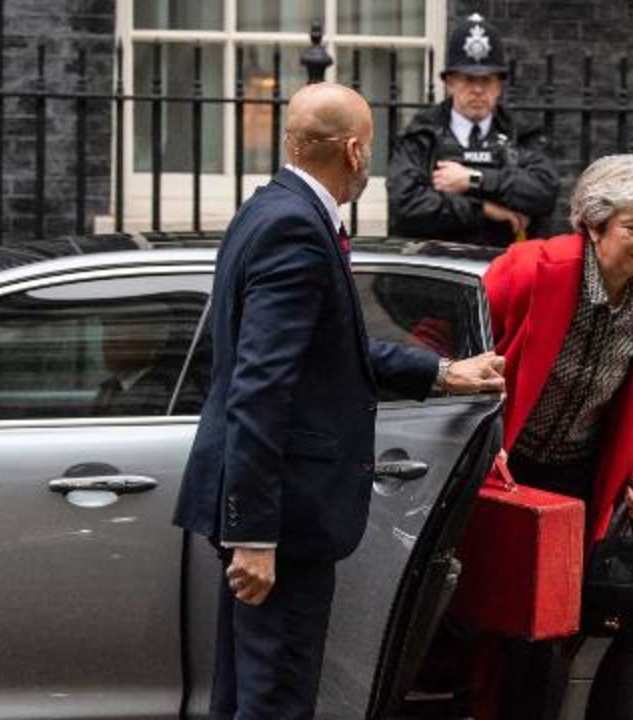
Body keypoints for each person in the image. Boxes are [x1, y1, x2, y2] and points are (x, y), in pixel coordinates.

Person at [172, 82, 505, 720]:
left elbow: (325, 355)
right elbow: (259, 386)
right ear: (354, 151)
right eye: (372, 149)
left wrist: (440, 373)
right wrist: (255, 534)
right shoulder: (297, 229)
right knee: (276, 699)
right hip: (286, 518)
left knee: (249, 693)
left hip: (279, 509)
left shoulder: (269, 208)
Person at [476, 154, 633, 719]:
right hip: (505, 470)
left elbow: (631, 404)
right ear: (594, 225)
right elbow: (454, 346)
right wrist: (479, 431)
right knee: (485, 615)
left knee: (549, 627)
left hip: (573, 483)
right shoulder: (531, 270)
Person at [387, 13, 559, 248]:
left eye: (487, 80)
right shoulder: (423, 134)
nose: (478, 90)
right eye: (468, 79)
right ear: (449, 83)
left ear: (499, 86)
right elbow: (407, 205)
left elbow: (544, 191)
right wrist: (485, 210)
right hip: (437, 268)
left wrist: (473, 180)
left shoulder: (520, 133)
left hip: (506, 267)